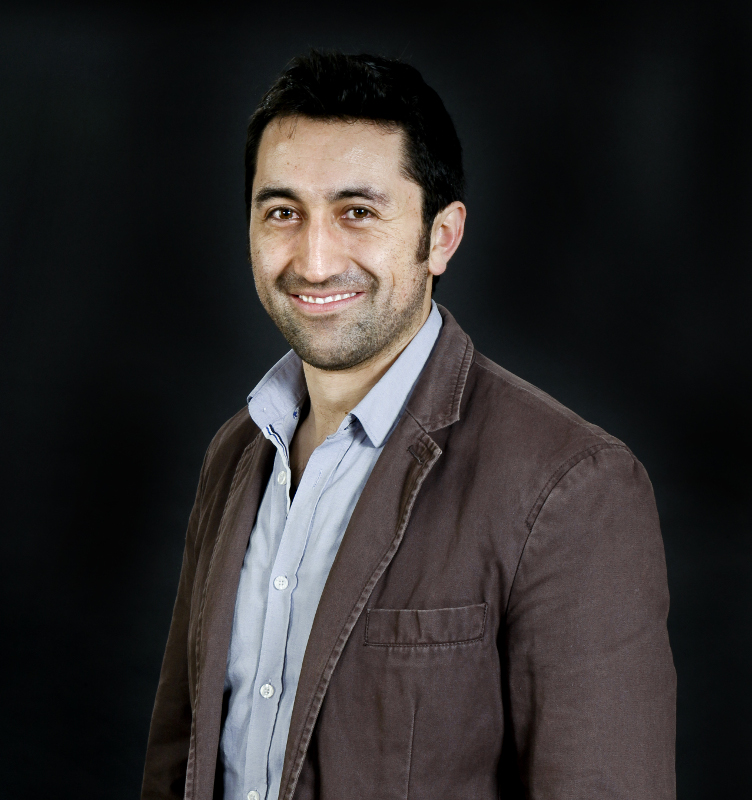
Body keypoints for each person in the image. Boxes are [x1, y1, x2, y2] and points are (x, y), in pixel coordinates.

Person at [141, 50, 676, 800]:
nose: (315, 259)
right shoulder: (236, 453)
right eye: (283, 212)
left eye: (358, 212)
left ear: (442, 237)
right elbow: (178, 759)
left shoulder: (571, 487)